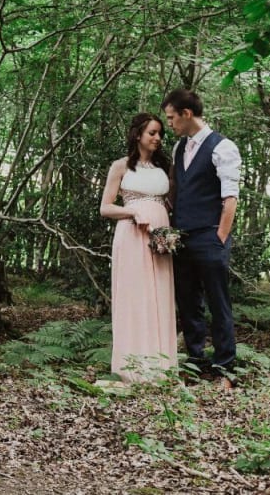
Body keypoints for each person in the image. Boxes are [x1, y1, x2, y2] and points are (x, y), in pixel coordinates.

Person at [161, 89, 241, 388]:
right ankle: (196, 364)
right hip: (181, 238)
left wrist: (220, 237)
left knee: (219, 305)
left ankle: (225, 370)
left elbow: (230, 198)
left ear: (187, 114)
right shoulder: (179, 148)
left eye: (172, 118)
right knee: (189, 303)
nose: (169, 124)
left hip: (209, 237)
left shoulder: (223, 147)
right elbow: (176, 191)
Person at [100, 113, 177, 383]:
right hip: (131, 236)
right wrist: (132, 212)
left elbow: (170, 203)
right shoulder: (120, 166)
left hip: (160, 239)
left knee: (159, 295)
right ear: (137, 135)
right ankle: (130, 367)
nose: (157, 138)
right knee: (135, 296)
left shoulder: (164, 167)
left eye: (160, 134)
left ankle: (161, 366)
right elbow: (105, 207)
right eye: (152, 133)